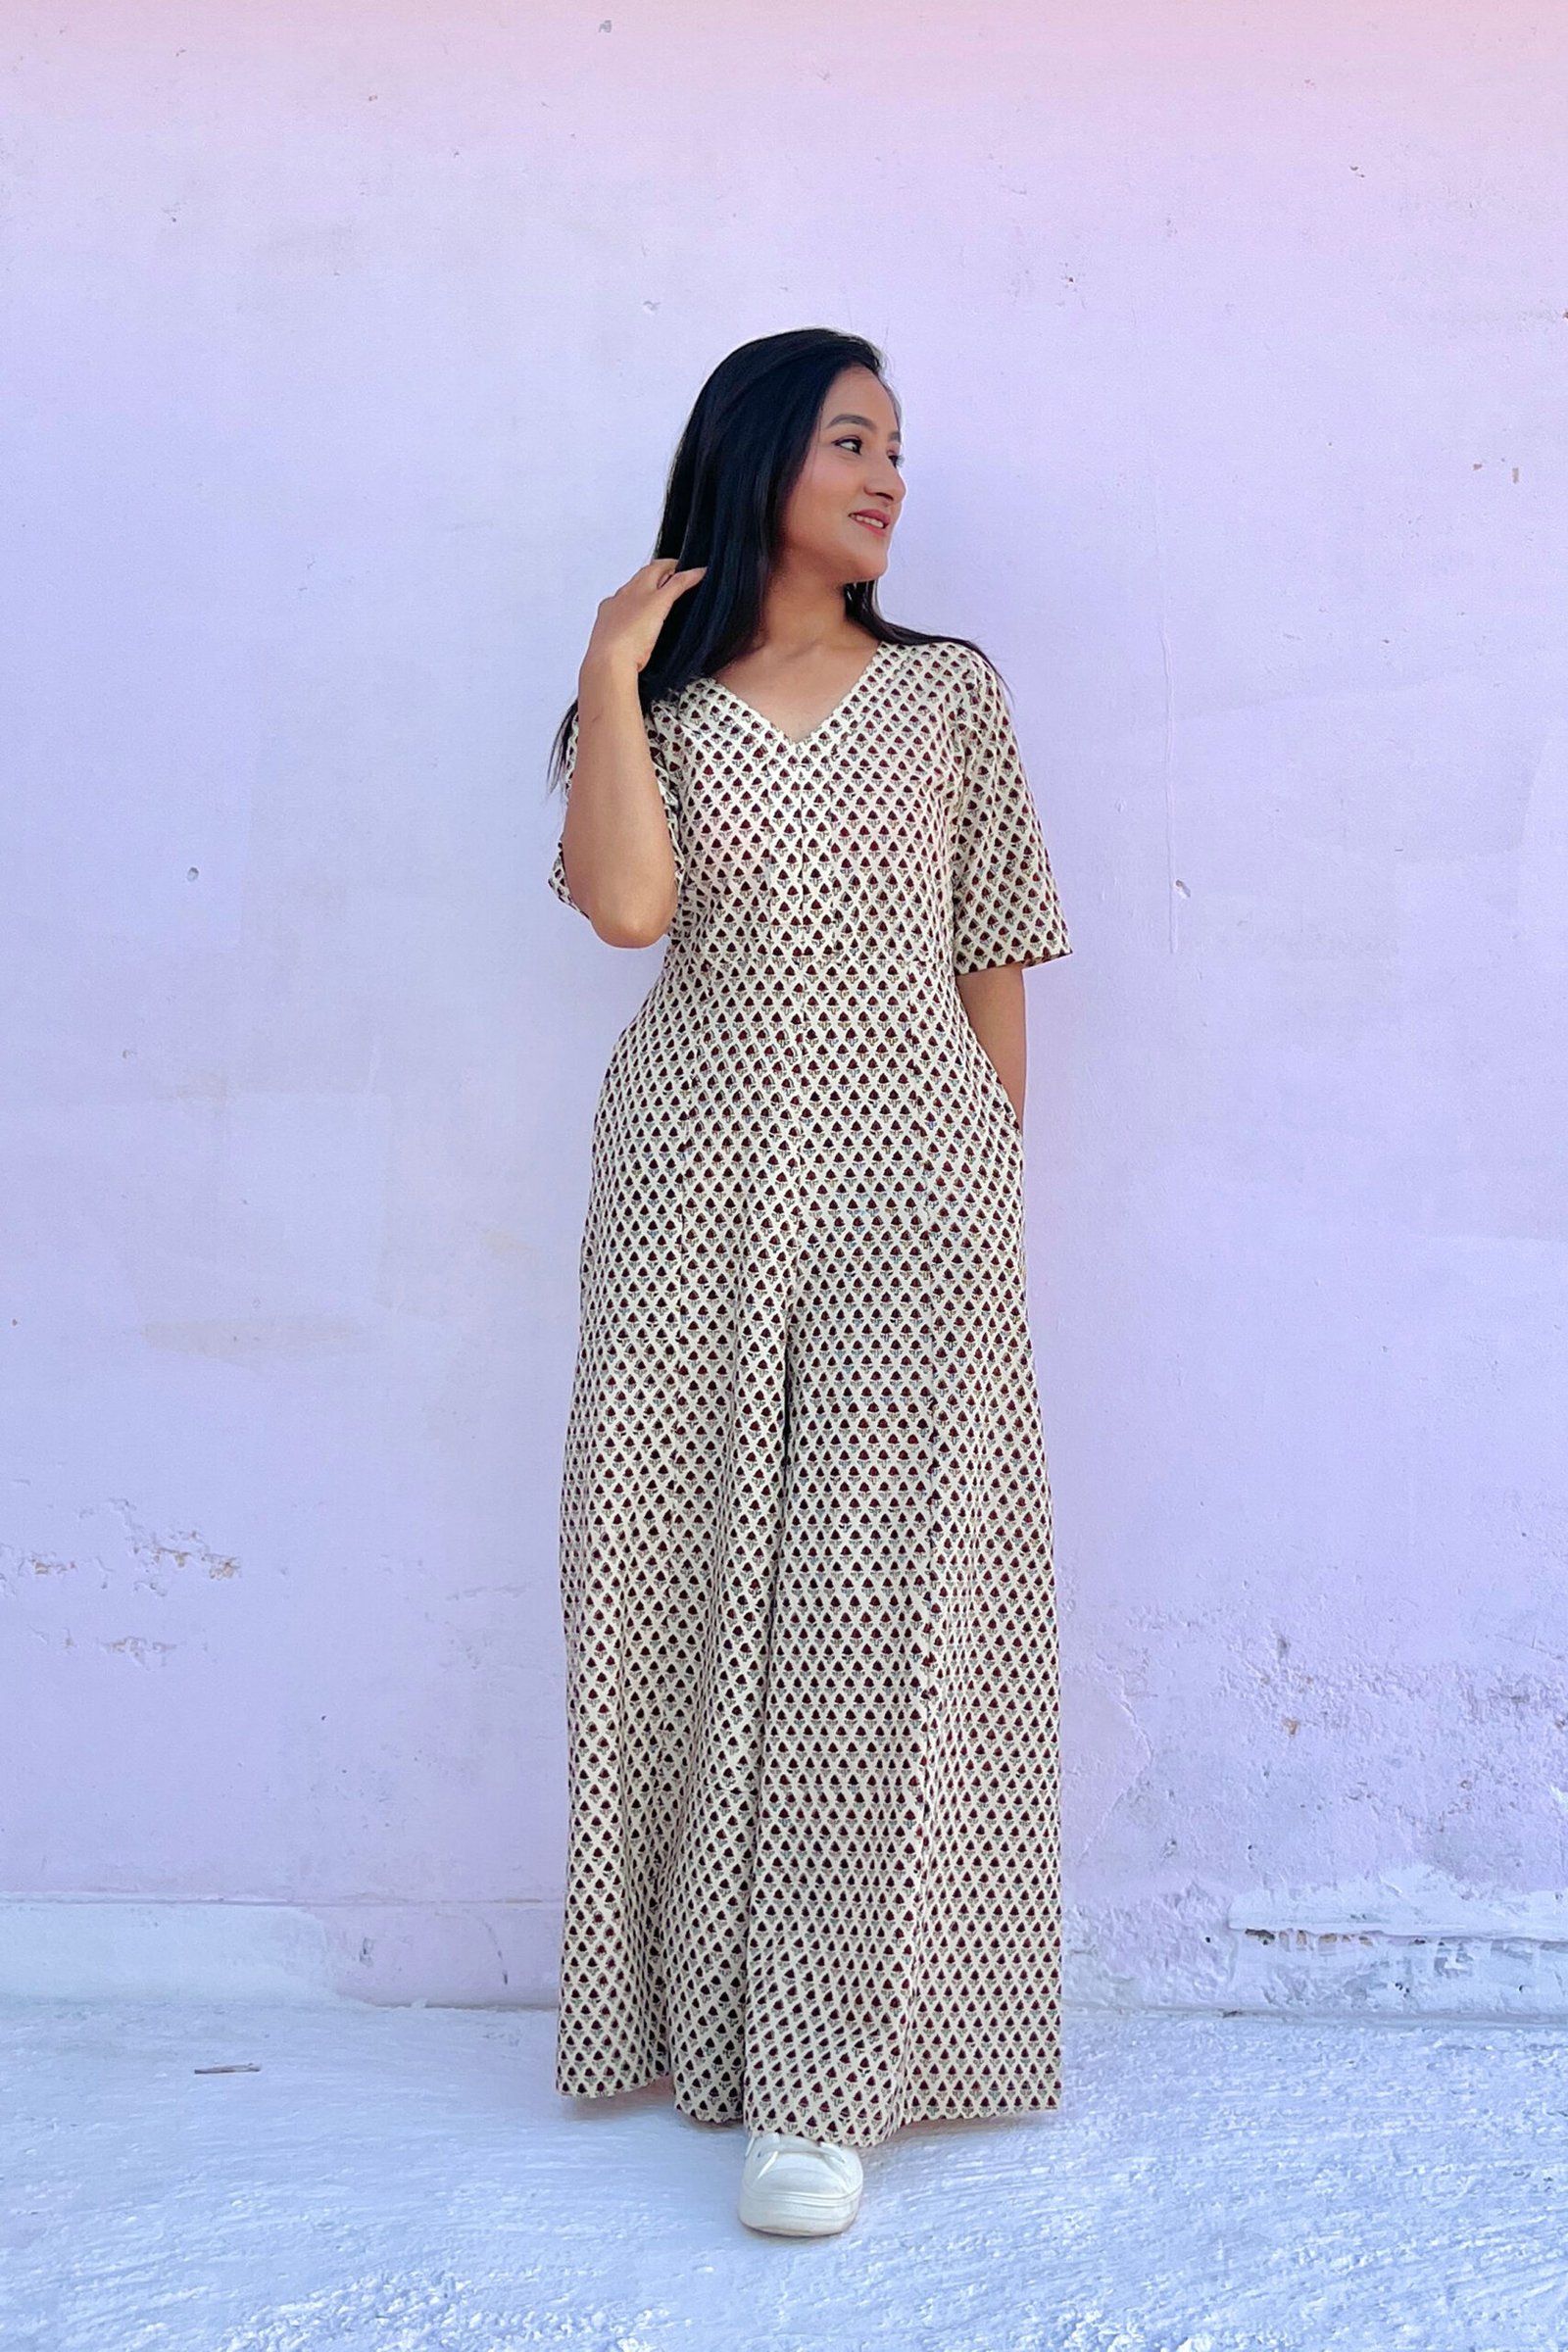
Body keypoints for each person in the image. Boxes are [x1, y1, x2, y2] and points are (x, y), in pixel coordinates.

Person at [545, 327, 1073, 2237]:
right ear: (759, 456)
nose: (888, 477)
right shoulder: (662, 706)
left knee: (875, 1611)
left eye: (896, 448)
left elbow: (994, 940)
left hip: (910, 1188)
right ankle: (690, 2020)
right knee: (651, 1578)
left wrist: (985, 1177)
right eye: (852, 441)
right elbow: (627, 908)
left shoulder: (946, 693)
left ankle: (828, 2082)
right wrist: (609, 670)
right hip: (689, 1184)